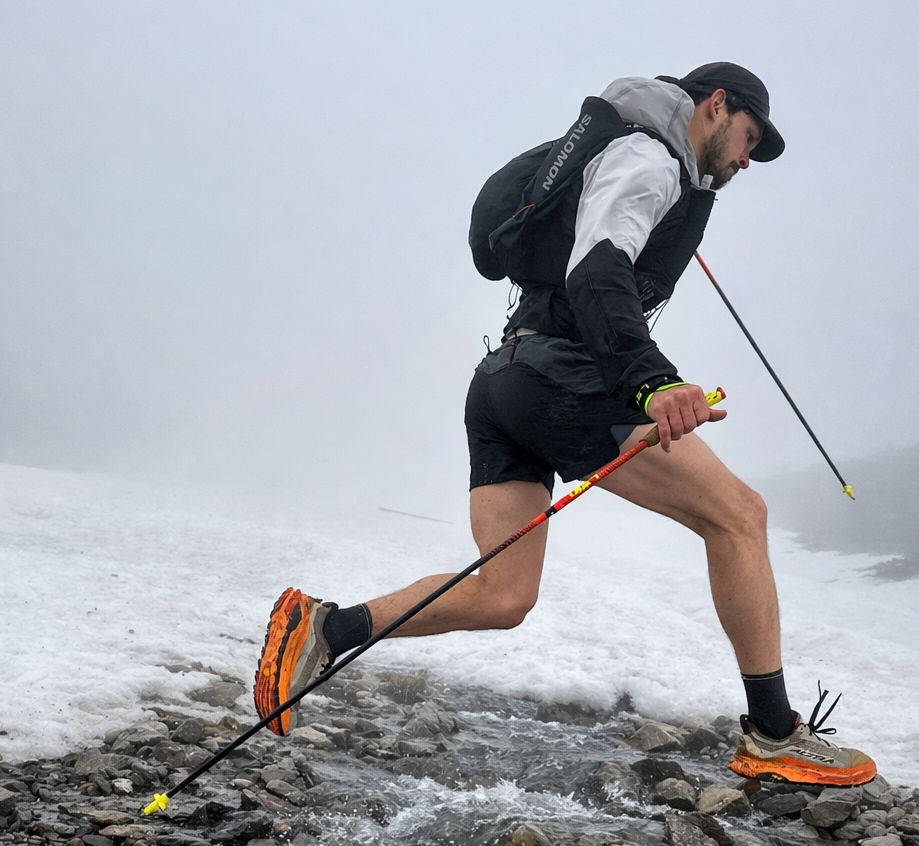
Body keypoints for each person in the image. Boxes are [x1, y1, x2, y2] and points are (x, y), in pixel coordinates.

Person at [253, 63, 876, 788]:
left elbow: (599, 245)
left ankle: (325, 630)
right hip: (561, 377)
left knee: (505, 595)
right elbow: (597, 271)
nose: (745, 159)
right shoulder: (646, 158)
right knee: (740, 515)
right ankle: (774, 733)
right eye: (746, 138)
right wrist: (652, 383)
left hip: (503, 381)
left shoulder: (636, 162)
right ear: (716, 106)